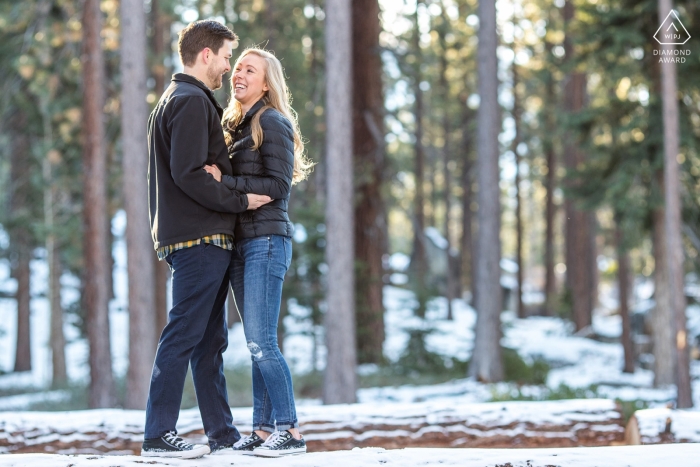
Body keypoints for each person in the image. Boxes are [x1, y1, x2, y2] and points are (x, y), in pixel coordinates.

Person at [142, 21, 271, 459]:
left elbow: (190, 171)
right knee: (184, 334)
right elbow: (190, 174)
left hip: (196, 236)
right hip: (199, 237)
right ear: (205, 55)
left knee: (208, 341)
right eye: (226, 57)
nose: (228, 67)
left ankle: (222, 434)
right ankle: (158, 434)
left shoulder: (175, 100)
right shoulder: (192, 101)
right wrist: (242, 197)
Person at [204, 47, 313, 457]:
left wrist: (226, 184)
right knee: (254, 342)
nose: (238, 74)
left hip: (267, 241)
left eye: (250, 70)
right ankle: (264, 431)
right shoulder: (236, 124)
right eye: (237, 68)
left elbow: (278, 187)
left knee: (263, 341)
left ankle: (291, 431)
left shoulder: (272, 121)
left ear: (266, 83)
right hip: (242, 243)